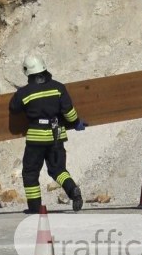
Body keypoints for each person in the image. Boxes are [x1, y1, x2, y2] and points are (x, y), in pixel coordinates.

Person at [9, 55, 86, 213]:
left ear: (27, 72)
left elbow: (13, 108)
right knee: (58, 170)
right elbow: (69, 112)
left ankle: (35, 208)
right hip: (56, 136)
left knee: (30, 172)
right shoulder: (58, 87)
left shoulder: (25, 93)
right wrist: (76, 123)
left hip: (36, 139)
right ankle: (73, 190)